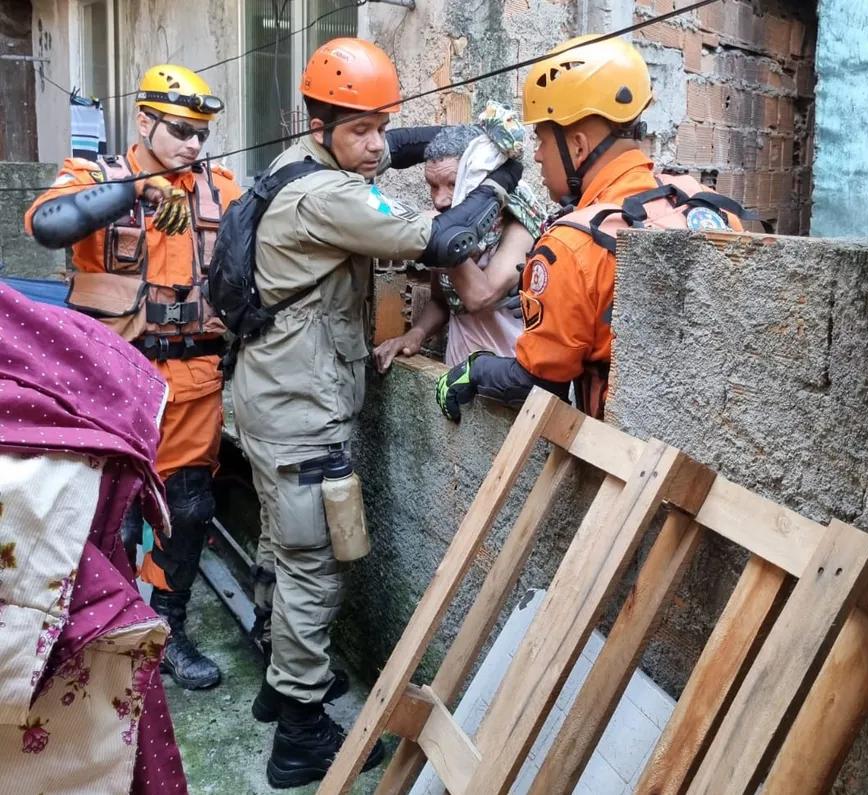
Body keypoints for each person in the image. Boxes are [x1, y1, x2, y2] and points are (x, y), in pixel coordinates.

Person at [229, 37, 521, 789]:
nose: (376, 145)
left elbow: (394, 146)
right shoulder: (331, 198)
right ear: (319, 125)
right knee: (315, 565)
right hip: (301, 412)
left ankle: (277, 683)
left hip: (269, 399)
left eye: (381, 126)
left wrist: (459, 137)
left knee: (280, 542)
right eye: (360, 129)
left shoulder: (294, 164)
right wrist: (501, 177)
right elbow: (448, 239)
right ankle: (300, 735)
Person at [24, 64, 242, 692]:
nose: (193, 144)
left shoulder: (220, 189)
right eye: (180, 130)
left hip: (192, 375)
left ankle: (166, 628)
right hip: (110, 378)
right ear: (144, 121)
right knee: (105, 513)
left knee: (190, 509)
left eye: (202, 133)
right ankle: (97, 629)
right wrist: (132, 190)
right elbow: (47, 225)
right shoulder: (93, 176)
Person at [435, 36, 749, 422]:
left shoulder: (570, 245)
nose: (537, 155)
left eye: (542, 140)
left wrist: (476, 368)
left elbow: (536, 382)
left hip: (624, 445)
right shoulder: (708, 205)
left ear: (578, 147)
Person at [373, 108, 545, 372]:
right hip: (458, 374)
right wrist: (416, 334)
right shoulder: (448, 227)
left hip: (509, 378)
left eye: (453, 184)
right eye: (433, 185)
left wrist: (440, 236)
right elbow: (441, 301)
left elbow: (480, 296)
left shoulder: (518, 223)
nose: (440, 199)